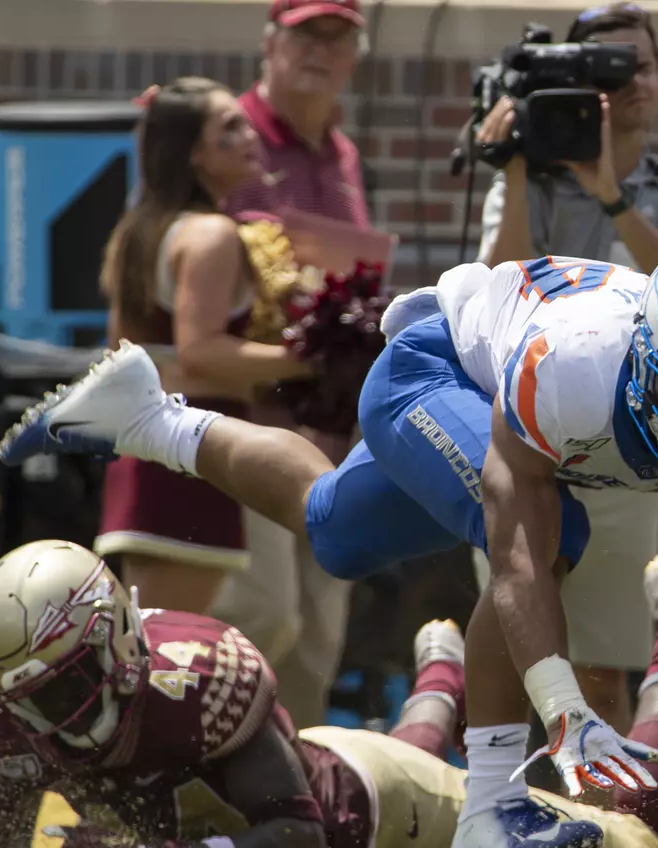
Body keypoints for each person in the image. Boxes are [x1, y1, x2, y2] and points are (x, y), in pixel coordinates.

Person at [0, 236, 658, 848]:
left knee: (333, 529)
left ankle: (144, 418)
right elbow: (514, 546)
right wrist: (564, 710)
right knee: (556, 540)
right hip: (436, 367)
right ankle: (493, 807)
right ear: (649, 345)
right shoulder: (577, 361)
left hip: (512, 415)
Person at [0, 540, 658, 848]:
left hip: (375, 812)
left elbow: (298, 842)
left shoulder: (199, 679)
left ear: (114, 642)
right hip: (311, 770)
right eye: (30, 694)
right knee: (401, 737)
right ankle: (439, 675)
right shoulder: (5, 719)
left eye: (65, 681)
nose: (50, 714)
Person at [473, 1, 658, 739]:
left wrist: (610, 193)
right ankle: (508, 834)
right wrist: (516, 170)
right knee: (509, 670)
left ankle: (600, 842)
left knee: (602, 672)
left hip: (622, 452)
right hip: (517, 446)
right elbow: (491, 294)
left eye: (640, 64)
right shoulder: (528, 182)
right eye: (608, 70)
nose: (631, 82)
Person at [206, 0, 375, 727]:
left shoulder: (343, 154)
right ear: (270, 42)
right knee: (260, 621)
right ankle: (212, 784)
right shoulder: (231, 138)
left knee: (317, 638)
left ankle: (293, 812)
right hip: (249, 416)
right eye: (307, 34)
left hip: (328, 432)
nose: (321, 51)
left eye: (338, 38)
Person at [94, 76, 313, 621]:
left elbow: (120, 350)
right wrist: (309, 358)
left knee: (199, 631)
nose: (249, 134)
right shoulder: (212, 235)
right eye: (230, 127)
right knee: (171, 648)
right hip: (191, 447)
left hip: (149, 446)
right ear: (194, 154)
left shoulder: (138, 228)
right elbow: (201, 352)